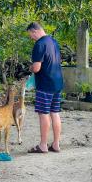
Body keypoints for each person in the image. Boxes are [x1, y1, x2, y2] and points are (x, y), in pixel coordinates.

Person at [26, 22, 63, 153]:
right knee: (55, 113)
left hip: (45, 85)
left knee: (44, 114)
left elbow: (36, 68)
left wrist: (30, 68)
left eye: (31, 35)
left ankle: (43, 145)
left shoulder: (39, 44)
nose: (31, 38)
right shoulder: (54, 42)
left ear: (34, 31)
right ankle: (56, 144)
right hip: (57, 83)